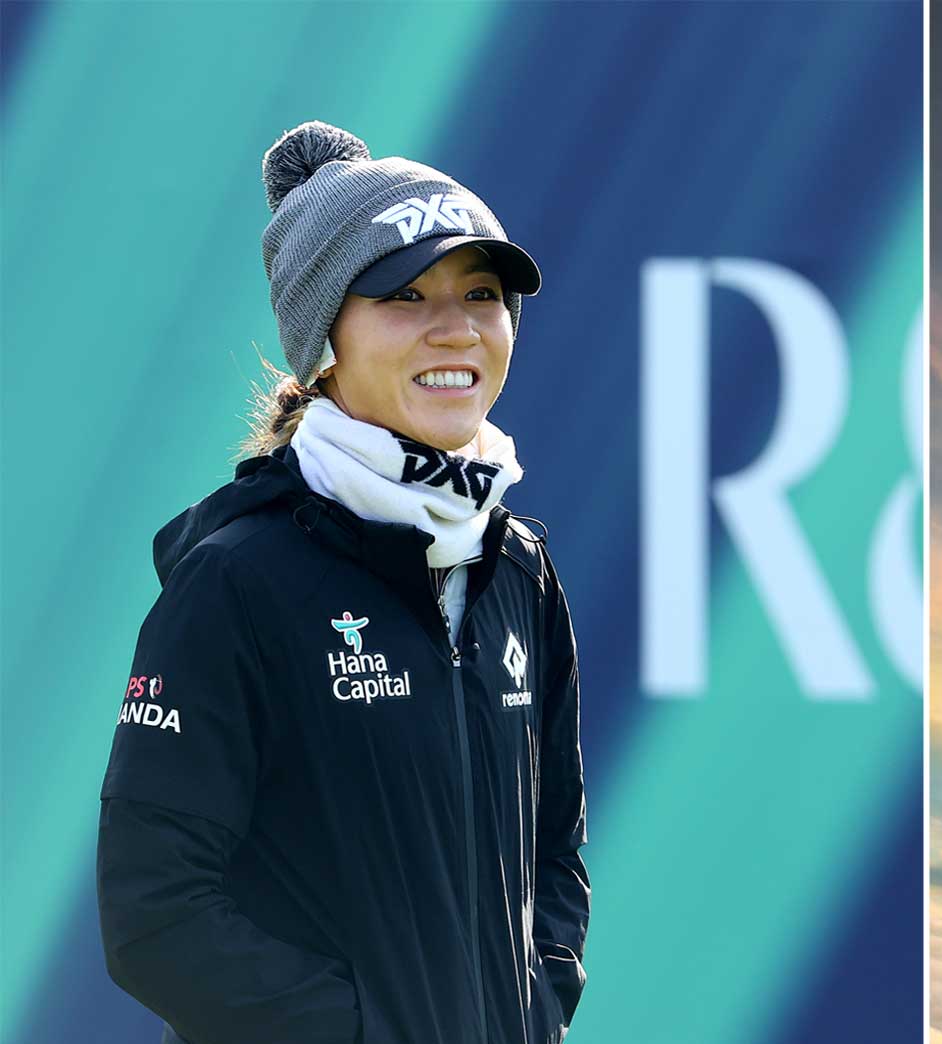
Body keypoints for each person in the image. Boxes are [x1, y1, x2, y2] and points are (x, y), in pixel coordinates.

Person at [95, 120, 589, 1044]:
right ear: (326, 340)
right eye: (403, 295)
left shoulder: (518, 568)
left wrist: (533, 1011)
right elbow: (155, 915)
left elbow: (554, 851)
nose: (456, 328)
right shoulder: (234, 582)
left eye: (481, 293)